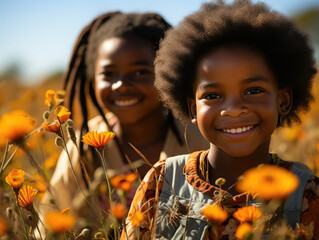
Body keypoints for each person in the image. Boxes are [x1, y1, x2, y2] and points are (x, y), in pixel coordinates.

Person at [122, 1, 319, 239]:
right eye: (213, 96)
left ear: (283, 101)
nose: (233, 110)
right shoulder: (163, 182)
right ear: (193, 110)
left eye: (253, 90)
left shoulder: (306, 193)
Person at [39, 12, 209, 234]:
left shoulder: (199, 138)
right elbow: (49, 224)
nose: (120, 85)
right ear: (92, 76)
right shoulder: (83, 147)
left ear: (167, 74)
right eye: (108, 74)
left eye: (140, 72)